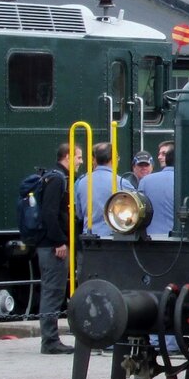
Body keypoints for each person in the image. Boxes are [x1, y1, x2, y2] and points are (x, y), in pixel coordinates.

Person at [37, 142, 81, 354]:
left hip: (51, 244)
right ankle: (50, 341)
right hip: (53, 246)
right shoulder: (57, 179)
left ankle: (51, 338)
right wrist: (59, 241)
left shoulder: (56, 177)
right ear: (68, 156)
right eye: (79, 157)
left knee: (53, 290)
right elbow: (49, 213)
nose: (81, 162)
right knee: (52, 291)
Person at [74, 142, 117, 237]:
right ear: (113, 159)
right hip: (114, 238)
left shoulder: (81, 182)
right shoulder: (122, 183)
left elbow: (79, 214)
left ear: (94, 160)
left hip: (89, 238)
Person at [138, 141, 174, 237]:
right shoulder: (187, 181)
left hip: (150, 239)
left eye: (164, 154)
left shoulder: (145, 181)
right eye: (159, 154)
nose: (159, 157)